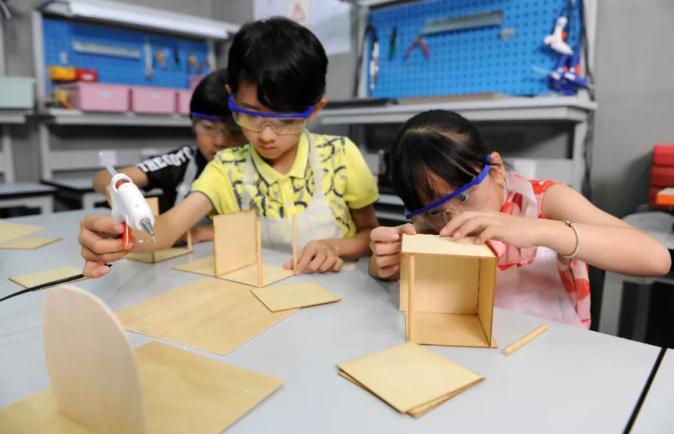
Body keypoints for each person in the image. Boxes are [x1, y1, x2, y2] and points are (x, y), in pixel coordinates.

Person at [79, 17, 379, 279]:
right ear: (231, 97)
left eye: (285, 120)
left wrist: (333, 246)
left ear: (314, 111)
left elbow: (370, 235)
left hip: (339, 296)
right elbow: (167, 228)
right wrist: (120, 239)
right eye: (250, 115)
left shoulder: (340, 156)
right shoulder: (227, 168)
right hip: (257, 297)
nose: (267, 135)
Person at [369, 110, 670, 328]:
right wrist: (386, 262)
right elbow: (385, 271)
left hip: (555, 353)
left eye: (463, 196)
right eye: (435, 210)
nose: (454, 217)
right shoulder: (431, 223)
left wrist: (541, 230)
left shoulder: (546, 201)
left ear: (496, 169)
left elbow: (656, 258)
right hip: (475, 350)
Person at [92, 69, 246, 225]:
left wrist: (203, 234)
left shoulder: (255, 168)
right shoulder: (182, 161)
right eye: (207, 127)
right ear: (193, 125)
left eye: (234, 131)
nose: (220, 141)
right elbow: (102, 178)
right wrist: (121, 187)